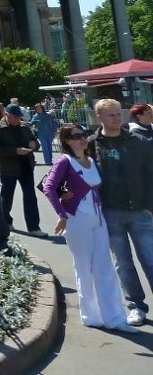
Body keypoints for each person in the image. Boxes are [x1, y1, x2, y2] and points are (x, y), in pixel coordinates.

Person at [42, 123, 136, 331]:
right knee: (84, 267)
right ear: (67, 141)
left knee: (105, 267)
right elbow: (49, 187)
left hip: (98, 218)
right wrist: (62, 212)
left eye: (83, 134)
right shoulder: (65, 162)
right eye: (76, 136)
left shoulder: (92, 161)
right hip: (77, 219)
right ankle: (90, 315)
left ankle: (115, 318)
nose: (82, 139)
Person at [89, 98, 153, 326]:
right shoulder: (91, 144)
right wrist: (64, 198)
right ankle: (136, 305)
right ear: (100, 118)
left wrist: (150, 205)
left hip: (140, 211)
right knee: (123, 262)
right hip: (110, 212)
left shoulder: (138, 141)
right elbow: (69, 175)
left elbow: (150, 173)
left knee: (150, 259)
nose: (116, 118)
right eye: (111, 115)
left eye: (119, 114)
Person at [0, 104, 46, 237]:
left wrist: (34, 145)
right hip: (8, 168)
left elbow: (34, 142)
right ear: (7, 115)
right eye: (15, 117)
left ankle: (33, 227)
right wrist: (15, 151)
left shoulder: (25, 127)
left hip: (26, 165)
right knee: (6, 196)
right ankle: (6, 222)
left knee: (30, 196)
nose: (17, 120)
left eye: (19, 117)